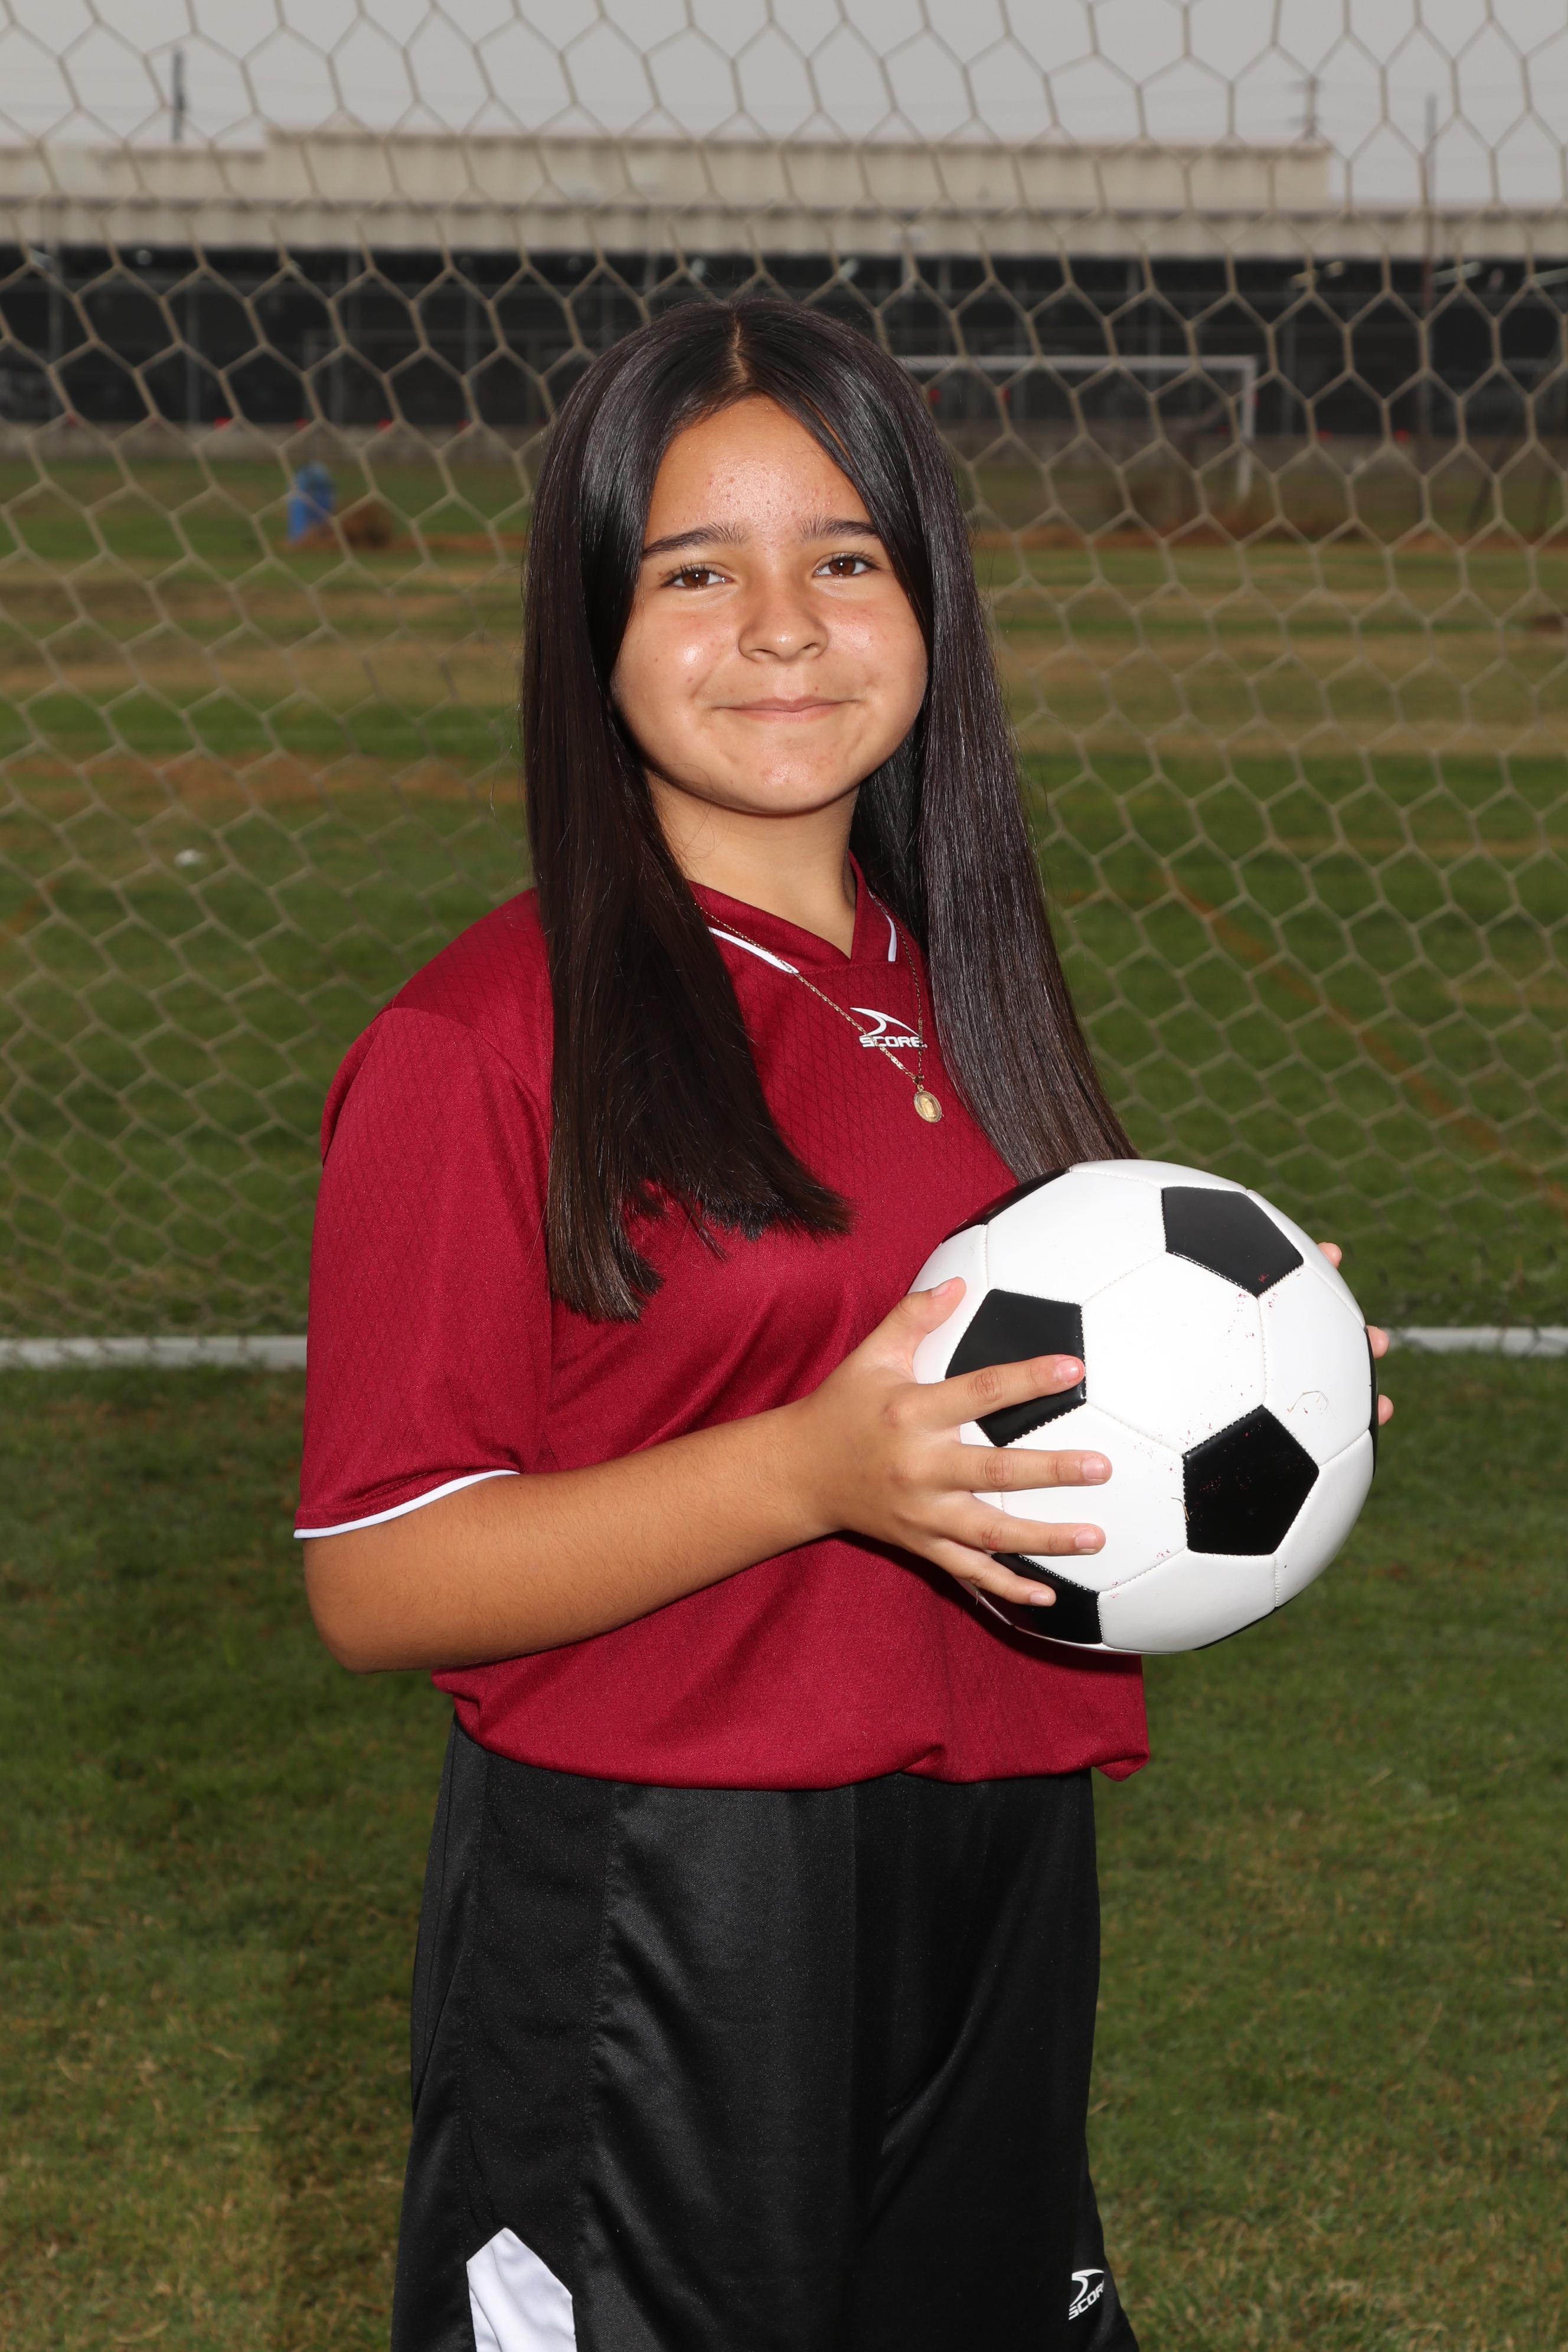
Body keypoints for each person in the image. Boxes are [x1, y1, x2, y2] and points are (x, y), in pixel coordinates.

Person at [296, 300, 1390, 2352]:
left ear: (931, 597)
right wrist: (809, 1472)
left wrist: (1251, 1373)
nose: (784, 626)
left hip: (994, 1850)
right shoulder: (484, 1038)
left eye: (846, 557)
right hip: (668, 1896)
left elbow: (1005, 1389)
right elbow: (377, 1575)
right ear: (591, 627)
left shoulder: (954, 987)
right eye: (697, 574)